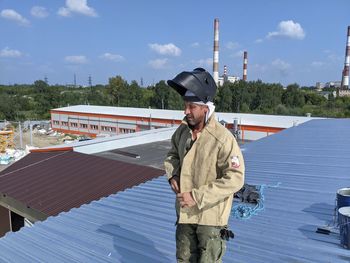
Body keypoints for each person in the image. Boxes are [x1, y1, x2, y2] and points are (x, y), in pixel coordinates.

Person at [164, 68, 245, 262]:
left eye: (192, 107)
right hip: (185, 213)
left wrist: (197, 196)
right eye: (185, 106)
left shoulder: (222, 139)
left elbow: (235, 178)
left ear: (205, 109)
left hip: (210, 218)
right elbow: (172, 155)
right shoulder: (182, 132)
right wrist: (173, 174)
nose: (186, 111)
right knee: (183, 259)